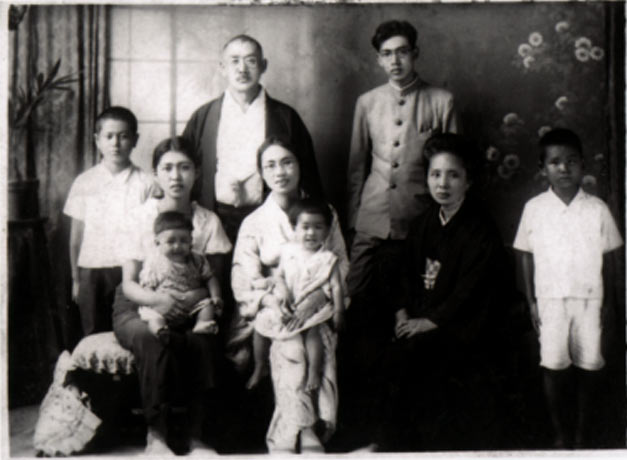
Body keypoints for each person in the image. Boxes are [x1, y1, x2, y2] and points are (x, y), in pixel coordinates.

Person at [374, 133, 508, 451]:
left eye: (453, 175)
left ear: (469, 181)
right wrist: (402, 313)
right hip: (420, 317)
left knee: (425, 364)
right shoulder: (424, 223)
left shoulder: (481, 229)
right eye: (435, 174)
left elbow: (472, 290)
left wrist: (430, 321)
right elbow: (405, 274)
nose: (442, 183)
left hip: (462, 326)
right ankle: (388, 444)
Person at [228, 137, 349, 453]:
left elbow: (341, 264)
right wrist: (271, 301)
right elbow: (244, 277)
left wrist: (320, 299)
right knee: (292, 349)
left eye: (287, 162)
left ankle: (306, 427)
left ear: (300, 166)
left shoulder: (324, 211)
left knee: (317, 338)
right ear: (261, 173)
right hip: (272, 306)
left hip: (317, 303)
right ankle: (305, 429)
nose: (280, 171)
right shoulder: (254, 222)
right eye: (270, 165)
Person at [112, 136, 232, 455]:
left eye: (184, 167)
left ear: (197, 173)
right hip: (140, 304)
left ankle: (196, 437)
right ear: (156, 174)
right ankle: (157, 436)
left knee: (202, 340)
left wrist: (193, 299)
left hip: (194, 306)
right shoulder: (138, 217)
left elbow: (213, 279)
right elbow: (129, 284)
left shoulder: (208, 221)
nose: (176, 176)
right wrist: (157, 301)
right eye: (167, 168)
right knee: (153, 340)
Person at [513, 128, 623, 449]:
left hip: (590, 301)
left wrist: (611, 303)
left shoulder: (597, 209)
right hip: (550, 302)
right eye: (555, 162)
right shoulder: (535, 208)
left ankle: (582, 432)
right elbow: (524, 254)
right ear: (543, 169)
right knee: (553, 364)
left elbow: (613, 260)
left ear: (583, 165)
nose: (564, 169)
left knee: (590, 365)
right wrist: (531, 301)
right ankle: (560, 434)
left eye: (572, 161)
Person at [346, 19, 458, 306]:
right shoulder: (367, 102)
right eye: (387, 54)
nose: (395, 60)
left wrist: (444, 223)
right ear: (379, 60)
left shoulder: (442, 101)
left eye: (402, 52)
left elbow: (455, 169)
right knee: (357, 295)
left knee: (415, 298)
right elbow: (357, 166)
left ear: (415, 53)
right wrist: (354, 218)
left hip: (419, 216)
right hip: (372, 216)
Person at [182, 34, 323, 243]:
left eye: (250, 60)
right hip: (215, 218)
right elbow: (186, 169)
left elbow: (308, 177)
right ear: (222, 67)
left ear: (263, 66)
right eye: (234, 61)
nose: (242, 69)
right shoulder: (203, 116)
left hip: (268, 217)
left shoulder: (286, 117)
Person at [64, 106, 153, 336]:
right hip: (92, 272)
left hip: (131, 272)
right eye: (109, 136)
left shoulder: (145, 183)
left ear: (135, 140)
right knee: (92, 333)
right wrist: (76, 279)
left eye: (123, 136)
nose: (115, 143)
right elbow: (75, 238)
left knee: (128, 332)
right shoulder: (85, 182)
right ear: (97, 140)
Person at [253, 198, 345, 393]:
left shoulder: (328, 259)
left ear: (328, 231)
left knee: (313, 335)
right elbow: (279, 276)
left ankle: (314, 370)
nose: (311, 233)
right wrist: (283, 290)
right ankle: (260, 365)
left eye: (318, 227)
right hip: (290, 300)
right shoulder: (288, 251)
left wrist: (339, 311)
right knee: (259, 325)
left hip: (313, 306)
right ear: (294, 228)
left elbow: (336, 286)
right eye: (305, 227)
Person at [137, 211, 221, 338]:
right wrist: (156, 301)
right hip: (165, 309)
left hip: (193, 307)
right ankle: (160, 330)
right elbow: (147, 286)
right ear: (157, 242)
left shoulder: (197, 259)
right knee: (153, 316)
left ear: (191, 241)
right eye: (171, 241)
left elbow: (210, 278)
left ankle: (202, 323)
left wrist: (216, 297)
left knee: (207, 305)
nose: (177, 246)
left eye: (184, 241)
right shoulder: (154, 263)